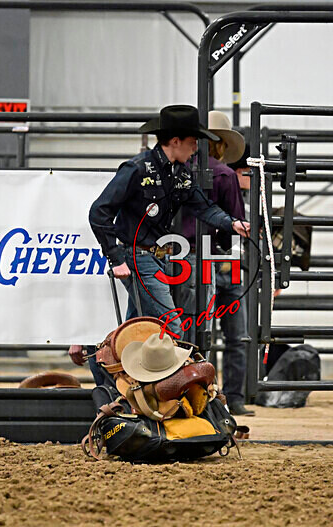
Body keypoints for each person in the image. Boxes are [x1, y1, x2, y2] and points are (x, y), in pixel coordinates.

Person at [89, 104, 250, 335]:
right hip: (139, 257)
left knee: (135, 329)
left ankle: (105, 367)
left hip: (155, 258)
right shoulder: (137, 169)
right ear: (175, 141)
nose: (196, 147)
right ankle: (168, 371)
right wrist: (116, 258)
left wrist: (232, 223)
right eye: (192, 141)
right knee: (172, 327)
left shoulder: (179, 173)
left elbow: (203, 207)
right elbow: (99, 211)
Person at [181, 111, 254, 417]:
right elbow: (236, 220)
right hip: (225, 256)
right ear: (222, 143)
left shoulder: (179, 172)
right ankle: (234, 398)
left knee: (196, 330)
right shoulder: (224, 175)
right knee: (235, 333)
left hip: (187, 257)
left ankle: (199, 396)